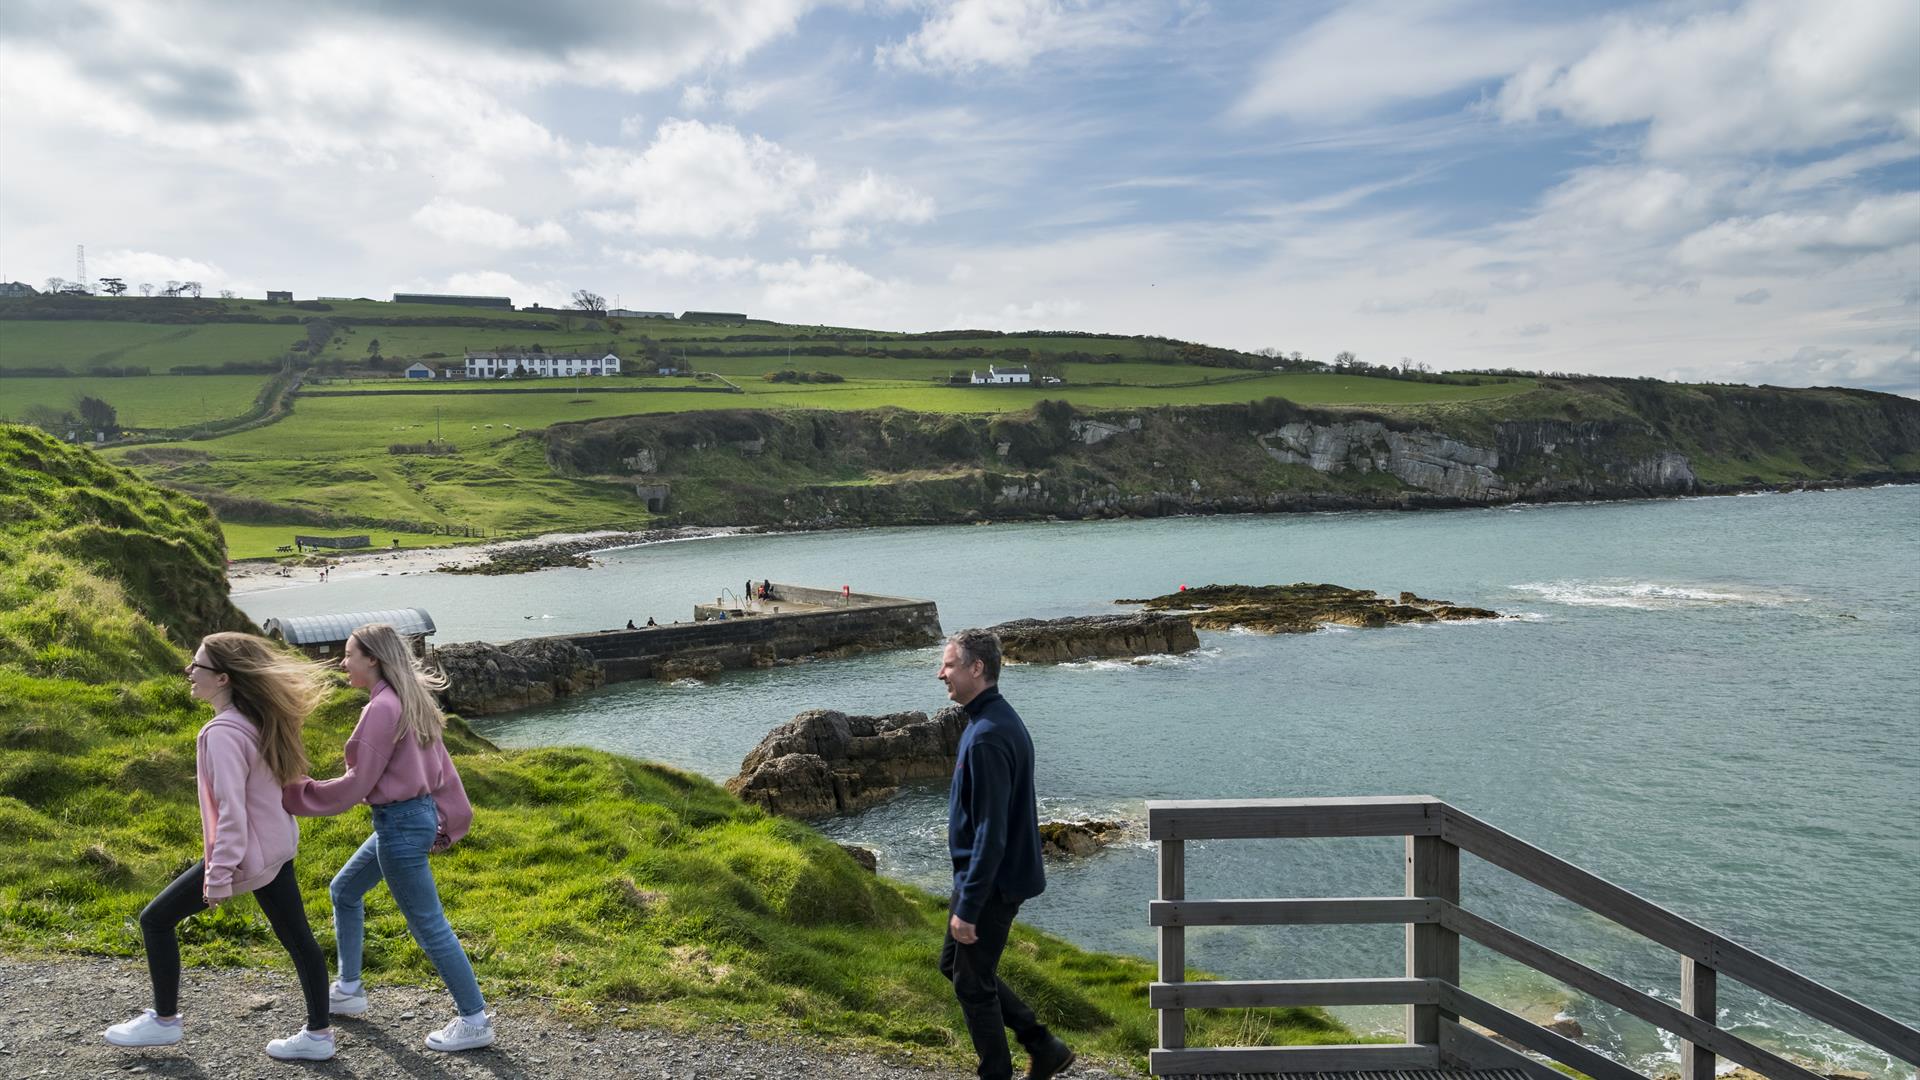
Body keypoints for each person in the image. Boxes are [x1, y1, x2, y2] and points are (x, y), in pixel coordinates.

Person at [104, 632, 336, 1062]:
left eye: (198, 667)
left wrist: (218, 874)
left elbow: (232, 812)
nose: (189, 673)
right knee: (298, 938)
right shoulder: (256, 720)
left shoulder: (223, 733)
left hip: (249, 852)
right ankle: (319, 1034)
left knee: (154, 920)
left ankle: (165, 1020)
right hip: (276, 848)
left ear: (224, 678)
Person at [282, 623, 494, 1053]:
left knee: (429, 924)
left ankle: (474, 1020)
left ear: (372, 659)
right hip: (412, 819)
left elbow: (357, 783)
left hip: (399, 824)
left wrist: (294, 793)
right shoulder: (409, 699)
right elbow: (443, 770)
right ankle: (349, 988)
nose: (344, 662)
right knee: (344, 890)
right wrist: (454, 817)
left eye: (349, 655)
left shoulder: (381, 709)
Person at [936, 629, 1075, 1080]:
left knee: (972, 984)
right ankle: (1041, 1043)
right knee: (954, 967)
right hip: (986, 878)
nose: (941, 674)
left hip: (991, 883)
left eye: (950, 665)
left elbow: (991, 834)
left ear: (977, 668)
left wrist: (970, 906)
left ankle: (1000, 1070)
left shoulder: (988, 736)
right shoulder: (991, 720)